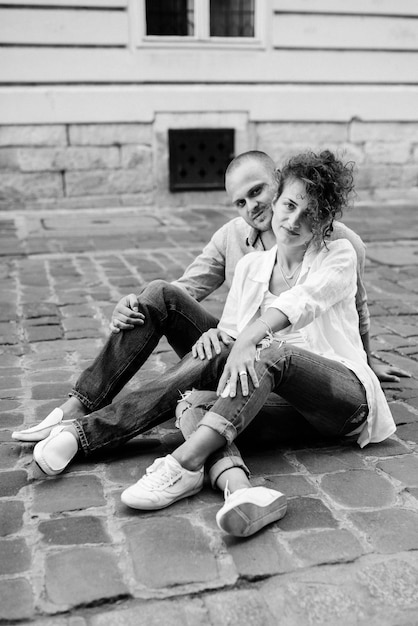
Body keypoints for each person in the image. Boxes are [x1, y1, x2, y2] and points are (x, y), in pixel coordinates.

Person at [28, 151, 396, 539]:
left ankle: (178, 460)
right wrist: (212, 334)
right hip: (277, 396)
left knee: (269, 352)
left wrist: (367, 361)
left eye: (260, 193)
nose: (290, 219)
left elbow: (319, 302)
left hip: (336, 392)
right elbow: (215, 316)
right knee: (191, 401)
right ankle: (238, 489)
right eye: (287, 206)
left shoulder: (340, 247)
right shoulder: (249, 262)